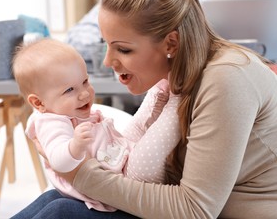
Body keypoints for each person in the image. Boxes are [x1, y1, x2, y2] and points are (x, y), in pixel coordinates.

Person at [12, 0, 277, 218]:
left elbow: (195, 209)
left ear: (171, 44)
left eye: (123, 49)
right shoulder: (173, 77)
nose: (107, 61)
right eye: (106, 44)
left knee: (62, 212)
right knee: (54, 200)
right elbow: (133, 156)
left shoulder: (226, 79)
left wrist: (78, 174)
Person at [11, 38, 180, 217]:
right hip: (101, 198)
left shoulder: (68, 112)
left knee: (51, 199)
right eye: (69, 90)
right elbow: (59, 161)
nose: (84, 93)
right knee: (58, 208)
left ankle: (164, 90)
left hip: (106, 187)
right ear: (39, 102)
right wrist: (75, 145)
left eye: (85, 82)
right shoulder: (52, 122)